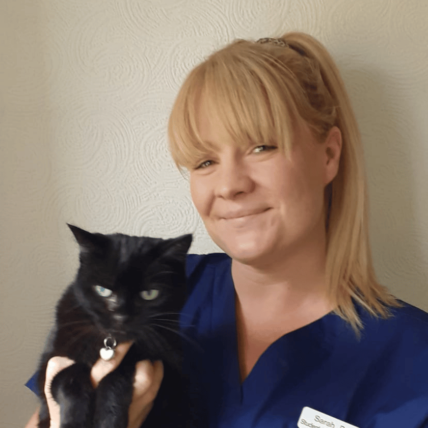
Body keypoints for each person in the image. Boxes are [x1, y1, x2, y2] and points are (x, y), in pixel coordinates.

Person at [25, 32, 428, 428]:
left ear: (328, 155)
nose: (229, 185)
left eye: (261, 147)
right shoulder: (142, 291)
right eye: (204, 162)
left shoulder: (413, 359)